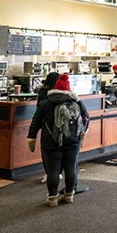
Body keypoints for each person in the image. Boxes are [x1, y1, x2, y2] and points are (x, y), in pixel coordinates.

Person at [27, 73, 89, 207]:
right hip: (73, 141)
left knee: (53, 170)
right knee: (71, 167)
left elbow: (36, 122)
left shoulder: (45, 103)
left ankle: (52, 198)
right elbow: (86, 118)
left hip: (51, 141)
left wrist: (31, 137)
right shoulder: (77, 102)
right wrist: (82, 133)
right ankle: (68, 195)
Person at [35, 72, 61, 184]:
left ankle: (49, 173)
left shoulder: (43, 92)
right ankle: (58, 172)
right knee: (60, 150)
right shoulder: (63, 93)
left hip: (47, 125)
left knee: (46, 151)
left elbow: (39, 109)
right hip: (60, 125)